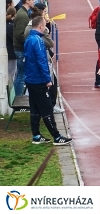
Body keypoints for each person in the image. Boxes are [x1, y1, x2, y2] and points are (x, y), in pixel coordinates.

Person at [25, 15, 72, 145]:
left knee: (35, 108)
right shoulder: (38, 41)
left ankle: (36, 135)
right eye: (45, 25)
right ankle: (56, 136)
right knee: (47, 109)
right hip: (38, 80)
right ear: (41, 26)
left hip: (30, 79)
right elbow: (42, 61)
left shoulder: (28, 39)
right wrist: (47, 79)